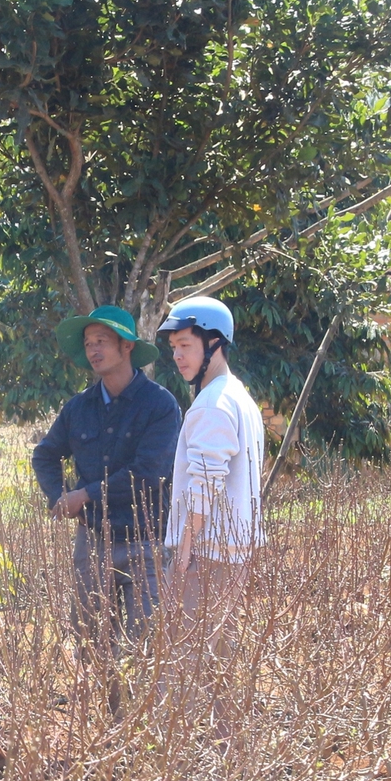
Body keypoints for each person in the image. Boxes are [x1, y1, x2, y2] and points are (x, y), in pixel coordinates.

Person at [31, 304, 183, 672]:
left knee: (142, 647)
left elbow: (149, 472)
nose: (94, 350)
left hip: (145, 541)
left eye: (102, 341)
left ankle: (136, 726)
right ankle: (100, 724)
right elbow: (45, 456)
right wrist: (60, 498)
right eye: (87, 344)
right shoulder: (78, 408)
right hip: (93, 541)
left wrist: (85, 494)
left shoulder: (160, 405)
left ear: (127, 346)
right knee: (91, 643)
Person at [156, 295, 264, 730]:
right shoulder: (240, 398)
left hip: (206, 553)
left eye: (186, 344)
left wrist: (183, 553)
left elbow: (206, 483)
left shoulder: (214, 403)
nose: (178, 355)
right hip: (233, 552)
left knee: (179, 664)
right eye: (174, 347)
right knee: (221, 665)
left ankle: (170, 771)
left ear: (214, 343)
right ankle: (229, 767)